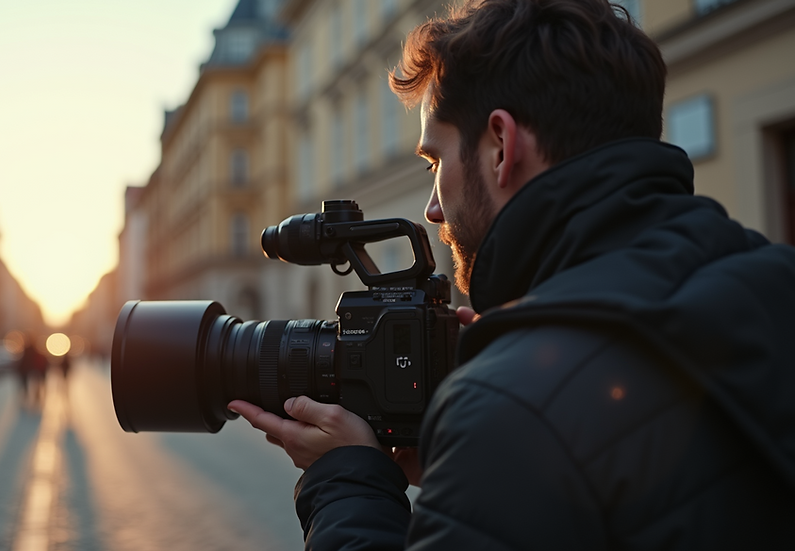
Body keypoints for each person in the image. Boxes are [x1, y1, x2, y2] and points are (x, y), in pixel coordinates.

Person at [228, 0, 795, 548]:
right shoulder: (774, 281)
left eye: (436, 162)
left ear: (501, 144)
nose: (432, 207)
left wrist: (348, 480)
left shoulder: (512, 410)